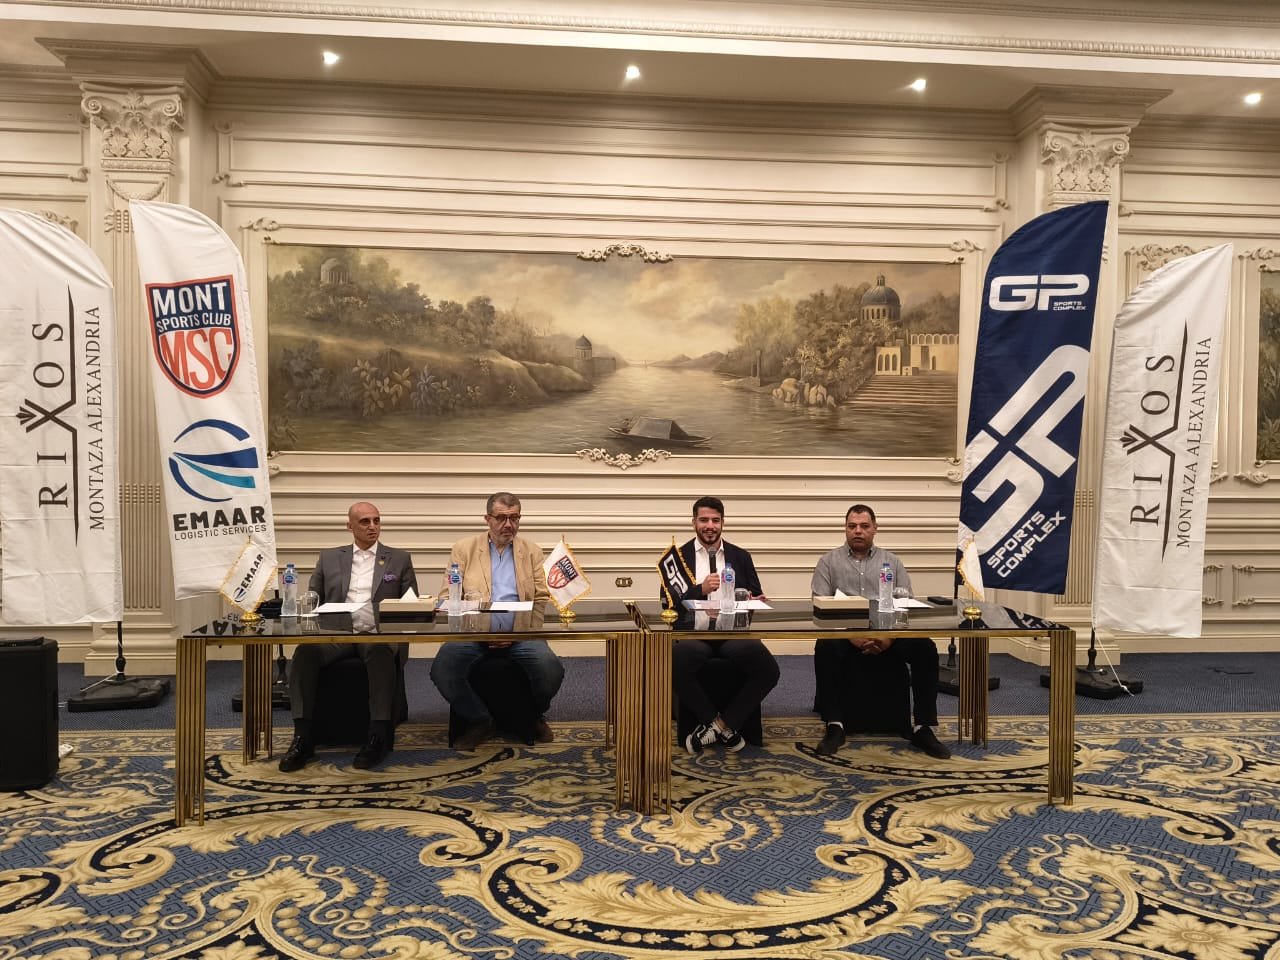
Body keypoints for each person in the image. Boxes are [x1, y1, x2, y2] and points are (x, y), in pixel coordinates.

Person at [279, 501, 419, 773]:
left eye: (376, 520)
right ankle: (303, 737)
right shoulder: (329, 557)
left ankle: (377, 736)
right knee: (305, 652)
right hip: (336, 633)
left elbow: (410, 604)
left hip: (375, 634)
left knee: (379, 652)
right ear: (350, 526)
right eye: (365, 521)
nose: (372, 526)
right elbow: (313, 599)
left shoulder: (399, 559)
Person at [810, 503, 950, 760]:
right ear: (845, 529)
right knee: (825, 645)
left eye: (864, 526)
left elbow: (905, 605)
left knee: (925, 647)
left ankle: (923, 726)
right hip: (846, 633)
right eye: (852, 526)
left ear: (875, 529)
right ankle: (834, 725)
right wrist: (852, 636)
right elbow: (821, 608)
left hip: (888, 633)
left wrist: (889, 638)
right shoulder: (828, 562)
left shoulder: (892, 562)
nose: (858, 531)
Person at [431, 492, 563, 751]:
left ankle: (532, 714)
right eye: (501, 518)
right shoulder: (464, 549)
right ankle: (480, 719)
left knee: (551, 670)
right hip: (473, 633)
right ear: (488, 519)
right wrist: (481, 632)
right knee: (442, 670)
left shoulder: (532, 551)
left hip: (520, 633)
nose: (508, 525)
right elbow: (448, 597)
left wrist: (518, 633)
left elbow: (540, 599)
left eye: (514, 518)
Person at [669, 495, 778, 755]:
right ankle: (722, 726)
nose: (710, 526)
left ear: (723, 523)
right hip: (694, 634)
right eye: (704, 520)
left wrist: (754, 599)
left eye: (715, 520)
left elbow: (754, 594)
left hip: (733, 633)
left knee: (769, 670)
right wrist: (700, 589)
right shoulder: (678, 558)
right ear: (694, 522)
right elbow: (668, 603)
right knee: (674, 663)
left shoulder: (740, 556)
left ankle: (719, 726)